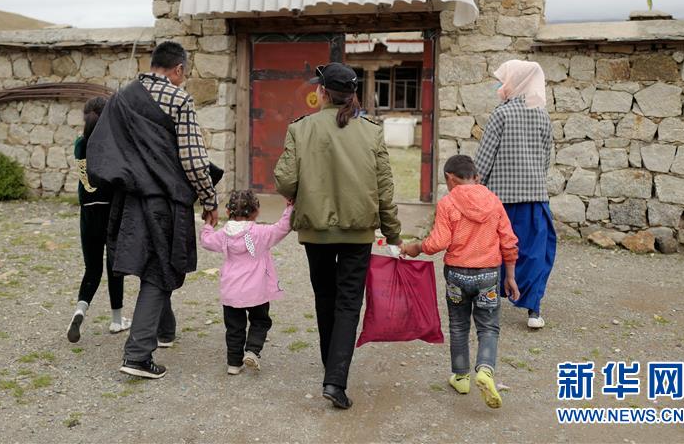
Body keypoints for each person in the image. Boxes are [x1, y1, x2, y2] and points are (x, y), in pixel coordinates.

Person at [87, 41, 218, 379]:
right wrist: (209, 199)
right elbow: (192, 159)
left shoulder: (121, 98)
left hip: (130, 198)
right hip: (165, 198)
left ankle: (164, 331)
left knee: (154, 264)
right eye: (183, 74)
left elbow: (101, 148)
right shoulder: (179, 98)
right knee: (161, 269)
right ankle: (137, 355)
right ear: (179, 70)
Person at [274, 62, 402, 410]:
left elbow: (284, 180)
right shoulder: (371, 130)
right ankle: (335, 378)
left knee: (324, 297)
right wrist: (392, 233)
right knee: (348, 303)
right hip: (359, 231)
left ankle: (331, 367)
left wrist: (297, 192)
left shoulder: (301, 128)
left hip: (315, 231)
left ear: (323, 92)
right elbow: (385, 187)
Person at [402, 155, 520, 409]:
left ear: (449, 178)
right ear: (475, 176)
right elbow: (508, 241)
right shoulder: (494, 201)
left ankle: (461, 377)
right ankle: (485, 371)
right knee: (488, 327)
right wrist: (510, 277)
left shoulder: (448, 203)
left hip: (456, 274)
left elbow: (438, 242)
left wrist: (415, 247)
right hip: (488, 274)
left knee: (458, 325)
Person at [474, 59, 556, 329]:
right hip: (534, 198)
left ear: (514, 82)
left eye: (504, 79)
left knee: (496, 252)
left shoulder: (502, 114)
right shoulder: (542, 115)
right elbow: (546, 160)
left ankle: (490, 303)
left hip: (502, 201)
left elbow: (485, 158)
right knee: (533, 253)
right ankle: (534, 310)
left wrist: (475, 188)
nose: (501, 84)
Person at [200, 191, 292, 375]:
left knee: (234, 328)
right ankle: (252, 350)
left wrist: (208, 225)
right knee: (260, 321)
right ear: (256, 211)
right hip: (257, 290)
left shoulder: (223, 234)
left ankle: (233, 363)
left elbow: (206, 241)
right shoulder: (261, 233)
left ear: (228, 211)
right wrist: (290, 207)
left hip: (231, 291)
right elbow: (282, 227)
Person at [67, 96, 131, 343]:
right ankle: (117, 320)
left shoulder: (79, 144)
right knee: (115, 266)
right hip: (110, 211)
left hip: (88, 212)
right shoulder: (112, 145)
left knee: (92, 268)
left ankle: (79, 311)